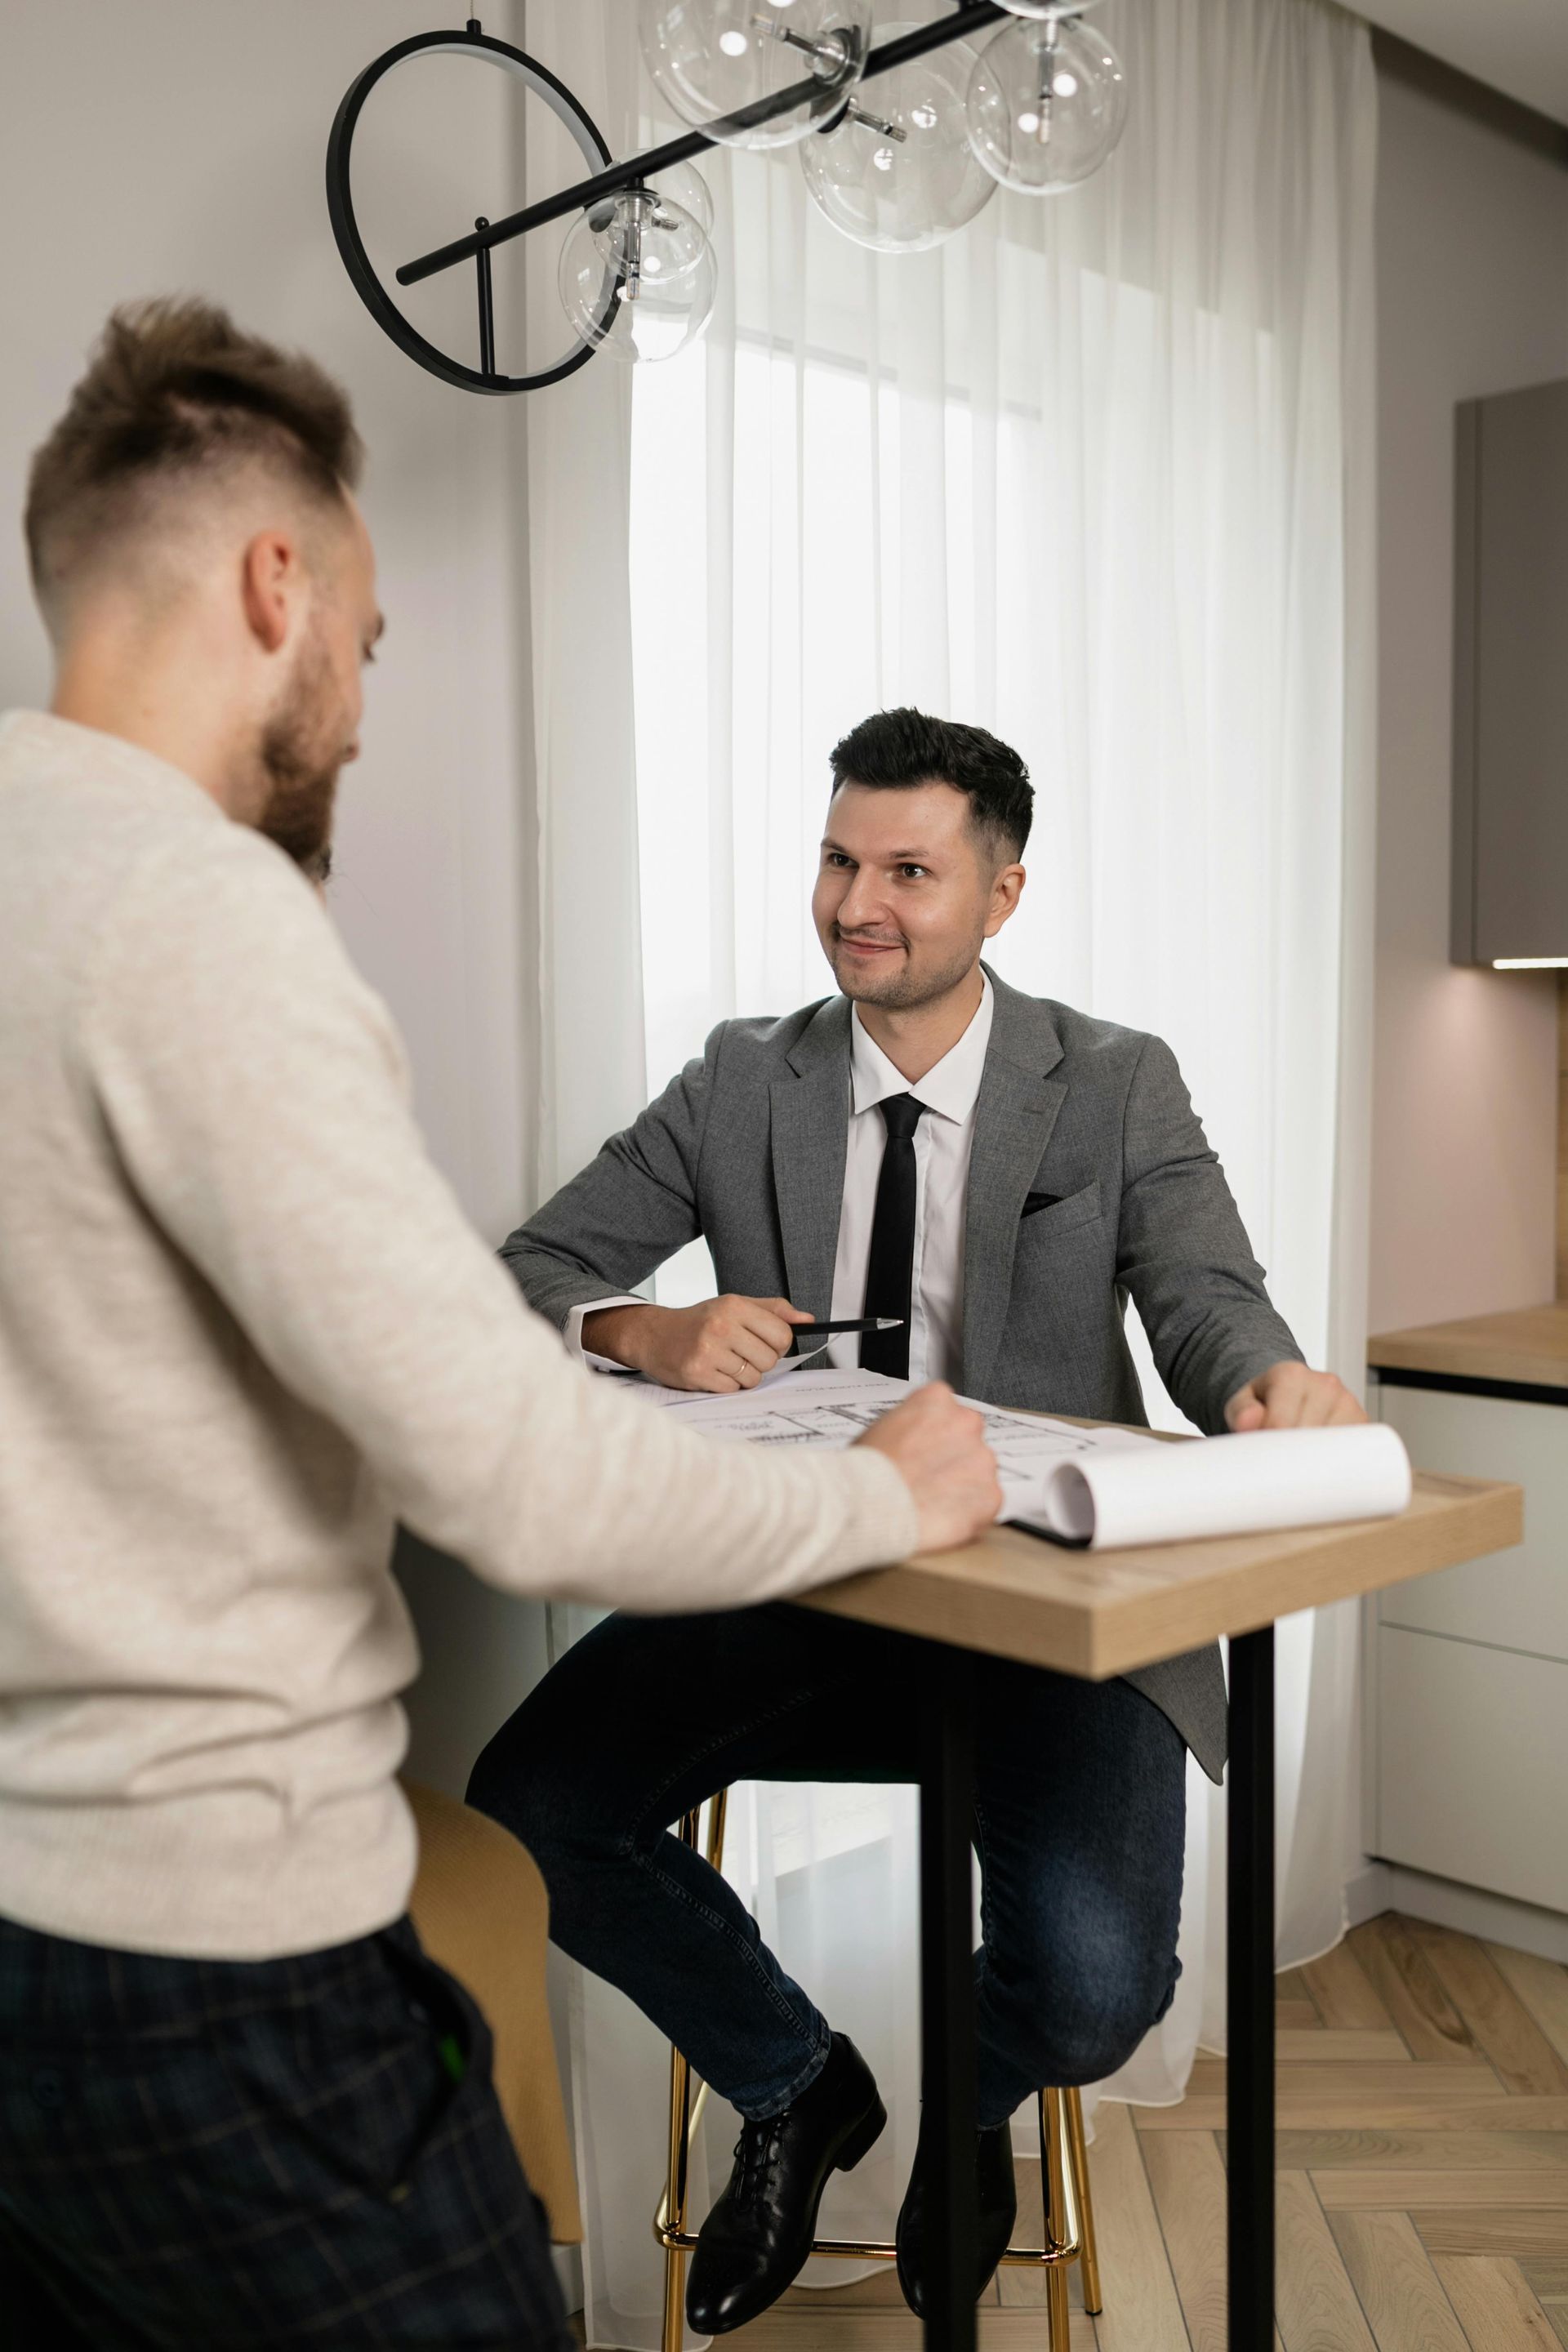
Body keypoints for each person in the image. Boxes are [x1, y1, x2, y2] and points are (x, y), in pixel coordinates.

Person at [0, 304, 1002, 2352]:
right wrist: (863, 1487)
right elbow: (520, 1467)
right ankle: (813, 2085)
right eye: (366, 641)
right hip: (203, 1954)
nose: (360, 706)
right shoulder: (194, 912)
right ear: (280, 583)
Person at [473, 707, 1367, 2332]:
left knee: (1098, 2001)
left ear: (1003, 896)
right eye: (837, 858)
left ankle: (963, 2103)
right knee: (533, 1800)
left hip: (1044, 1612)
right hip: (803, 1578)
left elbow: (1209, 1297)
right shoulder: (744, 1077)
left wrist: (1268, 1389)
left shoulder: (1110, 1084)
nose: (855, 901)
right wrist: (638, 1329)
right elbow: (524, 1272)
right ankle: (800, 2085)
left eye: (907, 869)